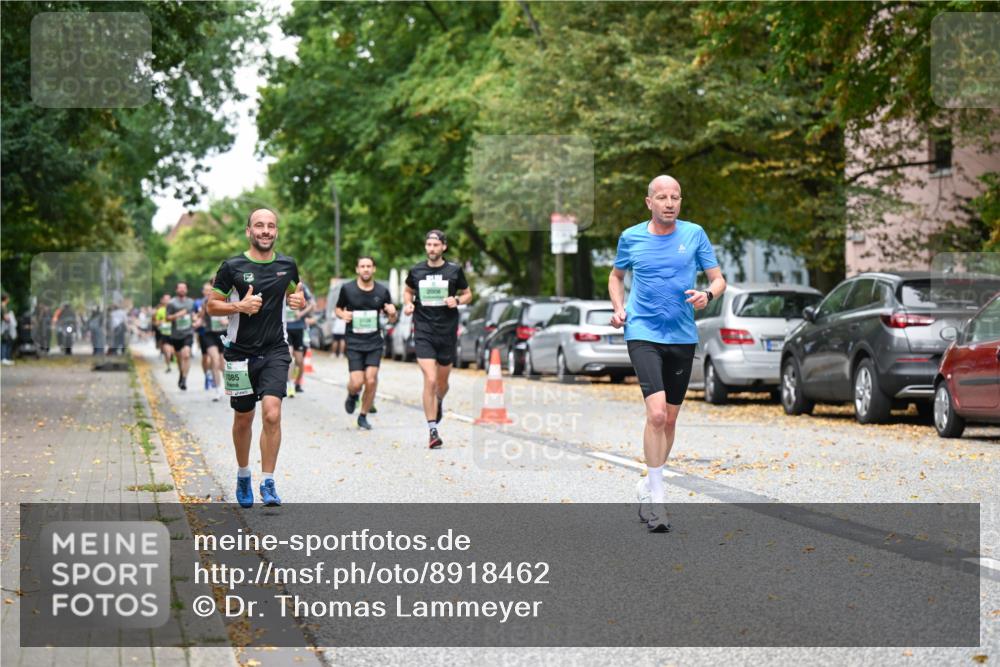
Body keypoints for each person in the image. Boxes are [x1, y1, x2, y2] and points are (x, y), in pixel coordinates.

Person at [608, 175, 725, 533]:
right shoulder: (631, 237)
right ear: (649, 203)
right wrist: (619, 308)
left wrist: (708, 295)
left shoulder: (694, 234)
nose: (669, 203)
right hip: (642, 331)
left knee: (670, 420)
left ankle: (649, 480)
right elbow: (616, 277)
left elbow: (718, 279)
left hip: (682, 335)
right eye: (662, 197)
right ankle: (657, 500)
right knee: (656, 414)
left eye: (675, 197)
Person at [206, 207, 305, 507]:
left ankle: (268, 481)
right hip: (239, 353)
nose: (265, 231)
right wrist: (239, 306)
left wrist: (298, 300)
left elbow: (296, 294)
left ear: (276, 231)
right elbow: (212, 306)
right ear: (248, 231)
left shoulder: (287, 265)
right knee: (243, 418)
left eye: (271, 226)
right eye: (259, 225)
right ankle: (243, 474)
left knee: (272, 413)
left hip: (275, 350)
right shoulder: (232, 267)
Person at [403, 230, 472, 449]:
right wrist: (408, 303)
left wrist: (457, 300)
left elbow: (468, 294)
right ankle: (432, 430)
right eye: (429, 245)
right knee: (430, 380)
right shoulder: (416, 270)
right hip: (423, 331)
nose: (432, 249)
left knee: (441, 384)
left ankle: (439, 400)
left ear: (443, 247)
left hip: (447, 332)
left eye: (435, 245)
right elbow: (408, 290)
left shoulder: (454, 270)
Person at [336, 257, 397, 430]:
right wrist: (343, 315)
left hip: (374, 342)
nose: (365, 269)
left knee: (370, 380)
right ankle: (352, 394)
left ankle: (363, 415)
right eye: (362, 266)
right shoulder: (347, 289)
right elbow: (338, 308)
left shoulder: (382, 291)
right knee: (357, 382)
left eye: (369, 266)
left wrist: (393, 313)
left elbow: (391, 318)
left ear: (374, 269)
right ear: (357, 269)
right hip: (354, 341)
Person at [196, 282, 226, 401]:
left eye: (210, 290)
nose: (208, 292)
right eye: (206, 290)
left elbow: (233, 314)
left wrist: (227, 321)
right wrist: (199, 319)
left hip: (222, 333)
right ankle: (218, 389)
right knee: (214, 359)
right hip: (209, 334)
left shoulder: (223, 298)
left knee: (223, 363)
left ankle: (226, 383)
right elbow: (200, 316)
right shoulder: (203, 302)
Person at [285, 280, 315, 397]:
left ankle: (297, 383)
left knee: (299, 360)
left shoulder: (302, 286)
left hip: (298, 328)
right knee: (289, 356)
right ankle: (289, 384)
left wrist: (301, 314)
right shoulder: (281, 282)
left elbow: (312, 304)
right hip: (285, 328)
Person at [165, 282, 196, 390]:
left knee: (186, 355)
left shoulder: (191, 302)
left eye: (184, 288)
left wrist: (194, 318)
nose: (182, 289)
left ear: (186, 290)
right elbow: (167, 318)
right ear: (176, 290)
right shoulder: (171, 303)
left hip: (188, 333)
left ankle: (184, 379)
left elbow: (194, 314)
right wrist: (178, 315)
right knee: (179, 358)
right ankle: (181, 374)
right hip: (176, 335)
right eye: (180, 288)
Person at [153, 294, 174, 372]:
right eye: (166, 299)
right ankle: (168, 366)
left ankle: (174, 359)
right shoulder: (160, 310)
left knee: (173, 351)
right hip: (165, 333)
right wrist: (160, 322)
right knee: (167, 351)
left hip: (175, 334)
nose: (168, 301)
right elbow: (155, 322)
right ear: (162, 301)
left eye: (169, 299)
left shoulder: (175, 309)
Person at [1, 294, 16, 366]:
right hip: (4, 328)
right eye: (8, 298)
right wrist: (10, 318)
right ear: (6, 299)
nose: (9, 299)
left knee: (6, 341)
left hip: (4, 327)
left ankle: (5, 358)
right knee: (4, 342)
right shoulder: (2, 307)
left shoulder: (3, 306)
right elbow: (5, 318)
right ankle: (3, 358)